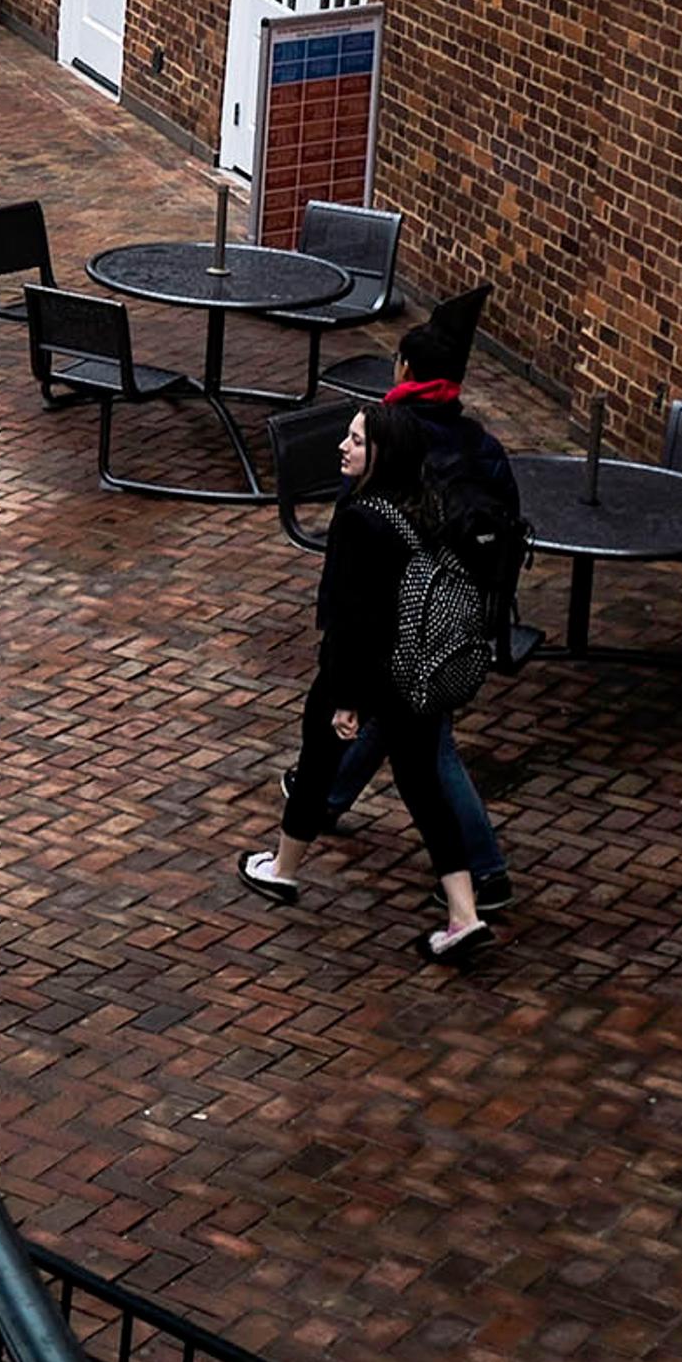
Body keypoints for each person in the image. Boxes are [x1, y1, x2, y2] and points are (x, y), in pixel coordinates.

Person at [238, 405, 495, 965]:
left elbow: (352, 616)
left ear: (380, 453)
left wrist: (346, 697)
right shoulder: (429, 507)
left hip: (362, 671)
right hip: (416, 671)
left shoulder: (360, 519)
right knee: (424, 786)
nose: (343, 447)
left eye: (355, 440)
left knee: (316, 765)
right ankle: (464, 914)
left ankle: (281, 870)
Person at [314, 321, 519, 905]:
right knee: (399, 717)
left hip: (404, 619)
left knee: (430, 743)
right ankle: (326, 796)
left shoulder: (393, 441)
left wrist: (338, 623)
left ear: (404, 369)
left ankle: (485, 872)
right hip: (464, 609)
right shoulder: (480, 443)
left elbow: (353, 542)